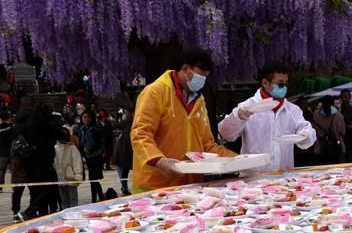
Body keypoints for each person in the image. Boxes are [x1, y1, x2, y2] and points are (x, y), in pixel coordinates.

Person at [131, 48, 237, 192]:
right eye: (200, 76)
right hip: (154, 184)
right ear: (185, 68)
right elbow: (140, 134)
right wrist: (159, 161)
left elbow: (207, 145)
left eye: (205, 77)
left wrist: (237, 160)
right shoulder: (155, 92)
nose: (202, 81)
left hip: (190, 184)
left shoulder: (199, 101)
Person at [218, 62, 315, 173]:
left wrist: (305, 135)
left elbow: (307, 130)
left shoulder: (292, 110)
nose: (284, 88)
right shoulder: (248, 106)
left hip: (283, 176)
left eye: (286, 84)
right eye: (280, 84)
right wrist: (239, 116)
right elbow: (226, 134)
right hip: (253, 178)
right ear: (265, 82)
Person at [15, 95, 60, 220]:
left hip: (25, 159)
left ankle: (38, 214)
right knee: (50, 186)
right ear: (33, 105)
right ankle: (31, 210)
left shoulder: (17, 119)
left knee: (35, 189)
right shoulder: (36, 118)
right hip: (41, 159)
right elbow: (53, 132)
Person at [312, 95, 346, 166]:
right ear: (333, 103)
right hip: (337, 148)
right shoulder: (338, 116)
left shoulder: (315, 116)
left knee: (320, 175)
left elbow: (313, 132)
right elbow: (343, 132)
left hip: (320, 148)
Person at [54, 128, 83, 209]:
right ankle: (66, 215)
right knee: (64, 200)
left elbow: (77, 163)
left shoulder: (72, 148)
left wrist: (78, 175)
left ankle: (73, 214)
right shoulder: (55, 148)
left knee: (73, 199)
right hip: (59, 179)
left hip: (71, 178)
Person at [80, 111, 104, 203]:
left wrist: (91, 149)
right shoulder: (82, 129)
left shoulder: (94, 129)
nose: (86, 119)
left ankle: (97, 198)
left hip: (95, 157)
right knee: (93, 180)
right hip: (88, 158)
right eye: (84, 117)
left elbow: (99, 144)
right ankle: (97, 197)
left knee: (94, 179)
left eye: (88, 117)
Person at [113, 109, 133, 195]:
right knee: (124, 171)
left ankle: (124, 187)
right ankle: (124, 187)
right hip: (123, 152)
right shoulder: (128, 124)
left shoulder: (127, 124)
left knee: (124, 171)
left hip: (124, 152)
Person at [0, 110, 13, 191]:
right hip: (12, 152)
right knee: (14, 171)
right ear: (9, 117)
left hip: (1, 152)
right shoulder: (13, 127)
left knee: (1, 171)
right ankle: (15, 186)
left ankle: (0, 187)